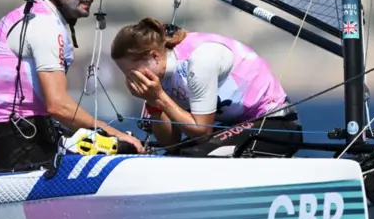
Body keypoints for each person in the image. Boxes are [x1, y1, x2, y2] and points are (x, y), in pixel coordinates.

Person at [0, 0, 144, 170]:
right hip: (20, 133)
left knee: (113, 147)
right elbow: (58, 106)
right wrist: (114, 133)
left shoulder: (37, 14)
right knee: (123, 147)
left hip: (25, 126)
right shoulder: (45, 26)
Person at [110, 17, 304, 158]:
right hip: (236, 126)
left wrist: (160, 97)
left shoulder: (199, 60)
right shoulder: (160, 75)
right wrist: (153, 102)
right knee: (176, 154)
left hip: (277, 122)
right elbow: (170, 143)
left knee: (197, 154)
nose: (131, 79)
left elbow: (203, 132)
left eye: (133, 71)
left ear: (154, 56)